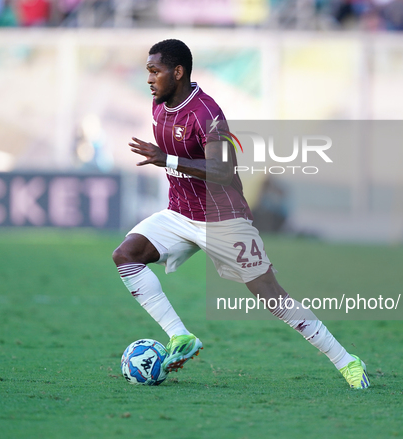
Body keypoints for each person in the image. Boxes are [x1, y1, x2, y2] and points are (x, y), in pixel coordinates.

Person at [112, 39, 370, 389]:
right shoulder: (159, 105)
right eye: (147, 72)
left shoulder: (207, 114)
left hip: (223, 220)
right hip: (180, 215)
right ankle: (180, 337)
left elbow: (223, 168)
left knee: (272, 297)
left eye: (155, 71)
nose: (149, 79)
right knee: (126, 255)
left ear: (178, 72)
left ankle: (348, 362)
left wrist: (167, 159)